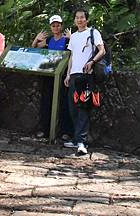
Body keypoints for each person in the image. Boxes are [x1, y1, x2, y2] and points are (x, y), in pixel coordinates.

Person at [63, 8, 105, 156]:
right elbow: (72, 56)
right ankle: (76, 139)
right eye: (77, 17)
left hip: (87, 75)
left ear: (86, 19)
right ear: (74, 20)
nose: (79, 20)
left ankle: (82, 142)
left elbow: (102, 50)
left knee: (83, 107)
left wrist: (92, 62)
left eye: (82, 17)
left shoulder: (93, 32)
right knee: (73, 107)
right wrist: (68, 75)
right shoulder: (73, 36)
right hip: (74, 75)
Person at [32, 14, 73, 139]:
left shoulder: (67, 40)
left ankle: (65, 131)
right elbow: (34, 48)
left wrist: (71, 38)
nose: (56, 27)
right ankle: (44, 129)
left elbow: (74, 51)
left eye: (58, 25)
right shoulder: (49, 40)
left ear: (61, 26)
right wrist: (36, 39)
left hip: (62, 74)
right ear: (51, 27)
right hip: (48, 74)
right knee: (46, 101)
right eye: (53, 25)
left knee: (64, 102)